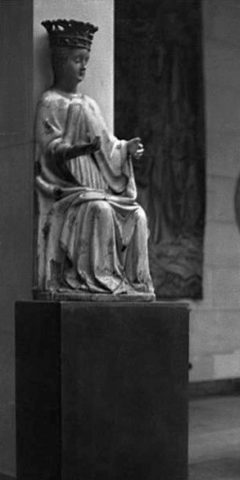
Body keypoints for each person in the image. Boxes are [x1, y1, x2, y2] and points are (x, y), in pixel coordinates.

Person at [35, 19, 154, 299]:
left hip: (96, 188)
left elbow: (108, 145)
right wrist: (77, 151)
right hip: (68, 189)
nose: (84, 67)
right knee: (99, 210)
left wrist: (126, 149)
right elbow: (49, 150)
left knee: (137, 215)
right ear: (60, 62)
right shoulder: (50, 102)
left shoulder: (89, 104)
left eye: (86, 60)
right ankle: (97, 280)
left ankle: (135, 283)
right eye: (77, 60)